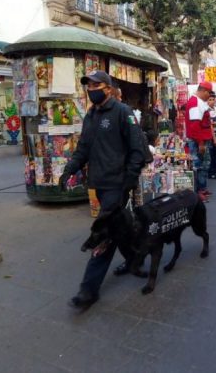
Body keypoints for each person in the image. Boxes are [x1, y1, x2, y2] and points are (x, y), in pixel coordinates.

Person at [58, 70, 146, 312]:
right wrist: (69, 170)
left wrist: (130, 179)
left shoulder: (123, 112)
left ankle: (88, 290)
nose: (91, 89)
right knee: (120, 228)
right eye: (89, 85)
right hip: (98, 184)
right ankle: (134, 259)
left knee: (104, 234)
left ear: (108, 88)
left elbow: (137, 148)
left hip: (117, 184)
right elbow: (83, 148)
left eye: (96, 84)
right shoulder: (91, 115)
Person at [185, 82, 214, 202]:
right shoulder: (195, 103)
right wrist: (201, 143)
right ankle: (197, 192)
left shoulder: (198, 102)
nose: (209, 97)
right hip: (198, 141)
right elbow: (194, 127)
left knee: (203, 165)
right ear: (204, 91)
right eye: (209, 94)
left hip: (201, 140)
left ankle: (202, 188)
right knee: (198, 166)